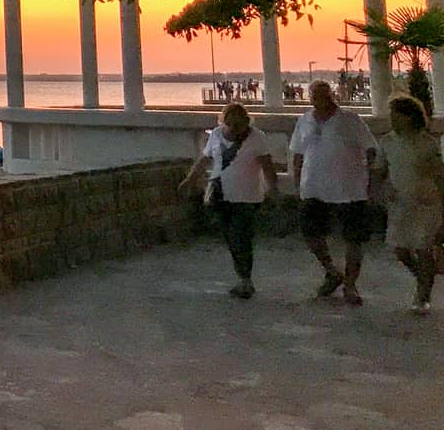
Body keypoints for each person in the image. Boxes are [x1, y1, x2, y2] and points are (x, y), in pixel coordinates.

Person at [290, 80, 378, 304]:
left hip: (350, 188)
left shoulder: (350, 119)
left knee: (353, 239)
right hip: (313, 187)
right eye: (316, 95)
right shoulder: (304, 120)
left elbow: (370, 149)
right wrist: (297, 180)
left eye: (325, 95)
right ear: (310, 98)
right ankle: (332, 271)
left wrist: (371, 181)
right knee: (311, 233)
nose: (321, 99)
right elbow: (298, 153)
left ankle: (351, 285)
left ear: (332, 95)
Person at [181, 103, 278, 298]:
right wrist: (189, 180)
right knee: (231, 237)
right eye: (229, 124)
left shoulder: (257, 137)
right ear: (223, 122)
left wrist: (272, 188)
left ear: (246, 122)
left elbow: (267, 165)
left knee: (241, 235)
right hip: (221, 195)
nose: (233, 128)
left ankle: (245, 279)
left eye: (238, 124)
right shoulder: (216, 135)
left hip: (247, 196)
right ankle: (242, 277)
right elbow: (205, 159)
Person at [374, 95, 444, 314]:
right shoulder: (387, 142)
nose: (392, 119)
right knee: (401, 250)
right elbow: (380, 170)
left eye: (397, 115)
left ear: (409, 117)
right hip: (400, 204)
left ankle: (423, 294)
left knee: (423, 248)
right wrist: (380, 191)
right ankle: (424, 278)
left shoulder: (427, 143)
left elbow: (439, 175)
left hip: (425, 202)